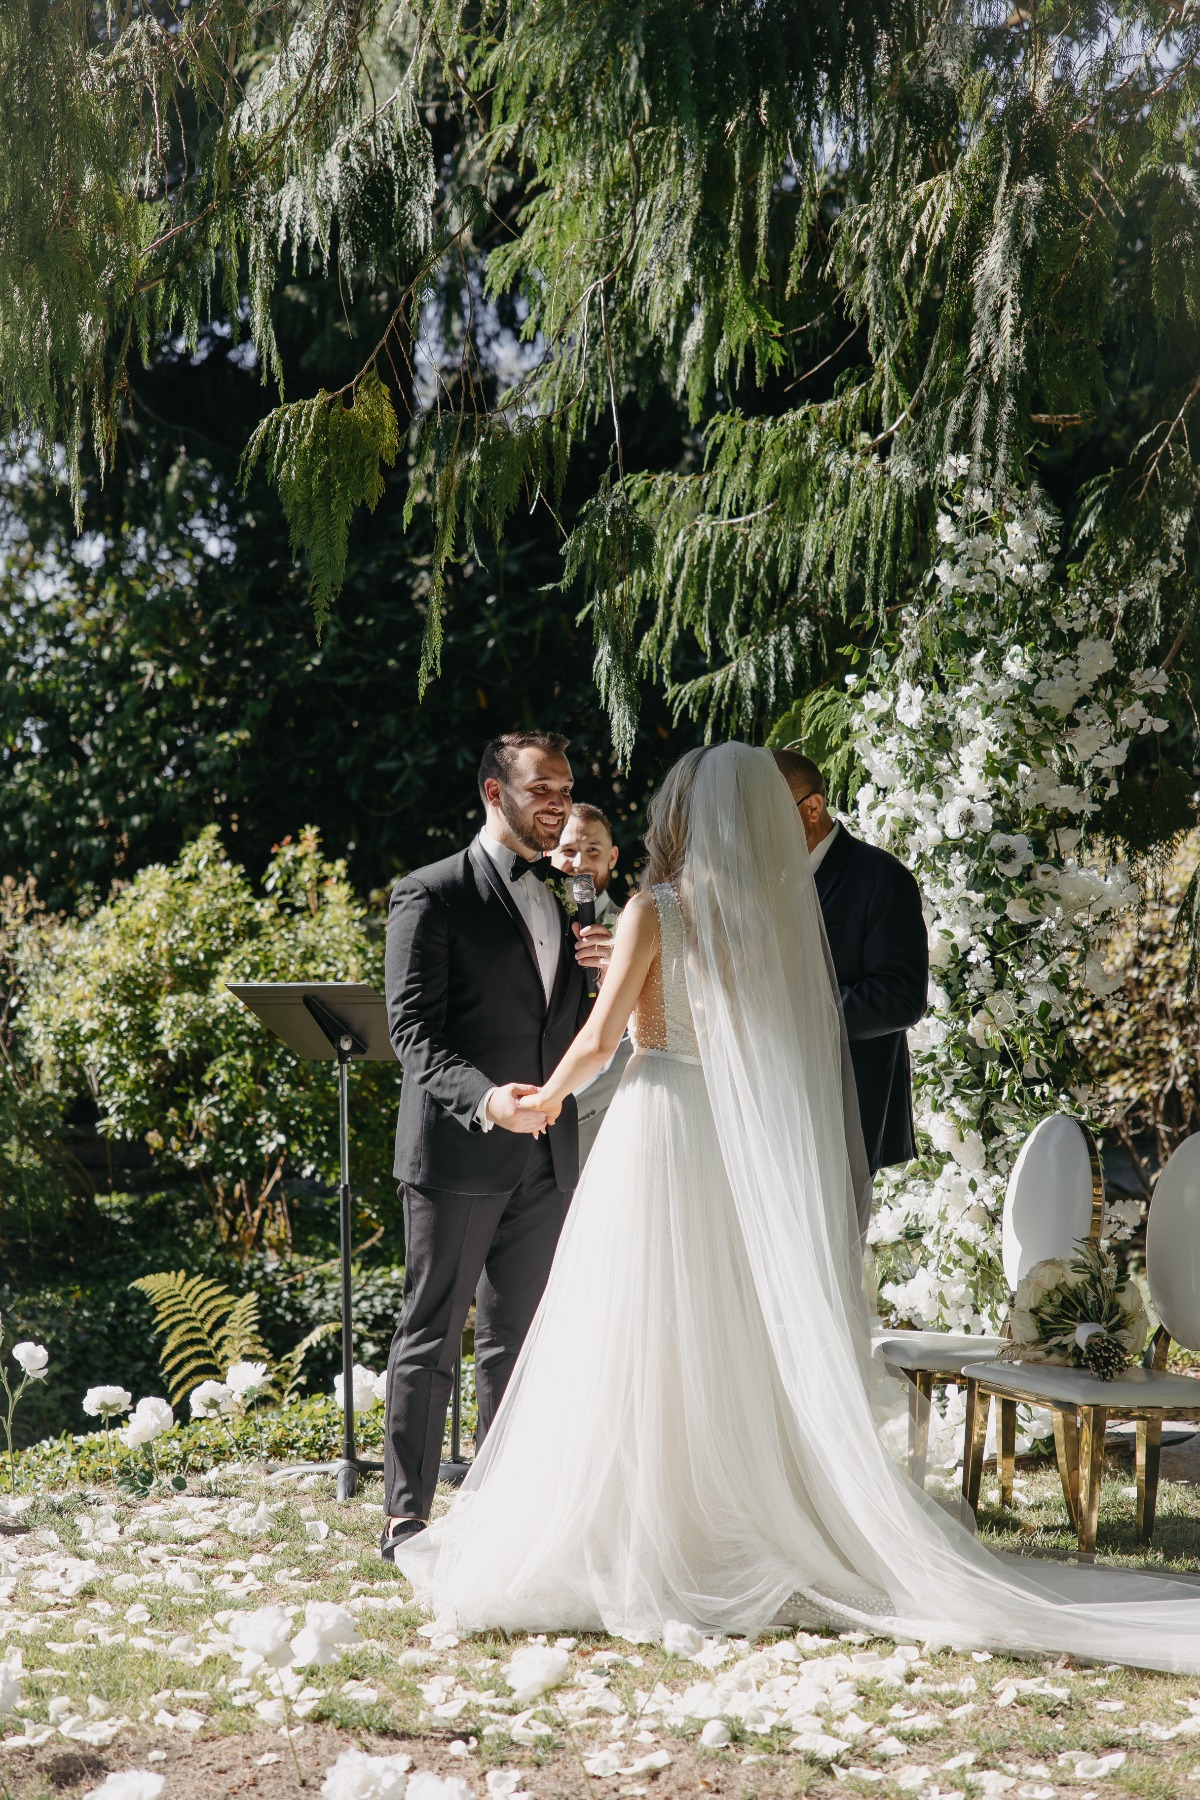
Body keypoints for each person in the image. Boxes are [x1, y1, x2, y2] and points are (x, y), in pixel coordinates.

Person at [396, 743, 1200, 1673]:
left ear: (685, 819)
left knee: (640, 1326)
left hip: (658, 1127)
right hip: (729, 1141)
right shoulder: (773, 919)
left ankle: (651, 1524)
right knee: (726, 1329)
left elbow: (597, 1040)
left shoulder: (655, 909)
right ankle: (731, 1517)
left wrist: (538, 1103)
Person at [379, 731, 612, 1564]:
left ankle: (498, 1506)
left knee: (518, 1343)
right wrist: (485, 1099)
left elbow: (574, 1025)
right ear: (492, 794)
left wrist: (601, 970)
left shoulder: (572, 893)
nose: (559, 806)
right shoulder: (431, 893)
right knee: (433, 1333)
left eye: (566, 790)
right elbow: (410, 1031)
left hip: (548, 1157)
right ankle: (406, 1518)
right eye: (542, 790)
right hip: (459, 1150)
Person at [771, 748, 927, 1175]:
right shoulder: (762, 880)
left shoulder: (879, 877)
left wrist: (790, 1013)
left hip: (846, 1108)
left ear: (813, 808)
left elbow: (900, 997)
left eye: (765, 811)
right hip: (771, 1105)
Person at [551, 802, 631, 1161]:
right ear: (548, 851)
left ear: (612, 856)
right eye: (568, 851)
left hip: (600, 1118)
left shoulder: (633, 929)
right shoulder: (527, 925)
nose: (580, 863)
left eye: (592, 851)